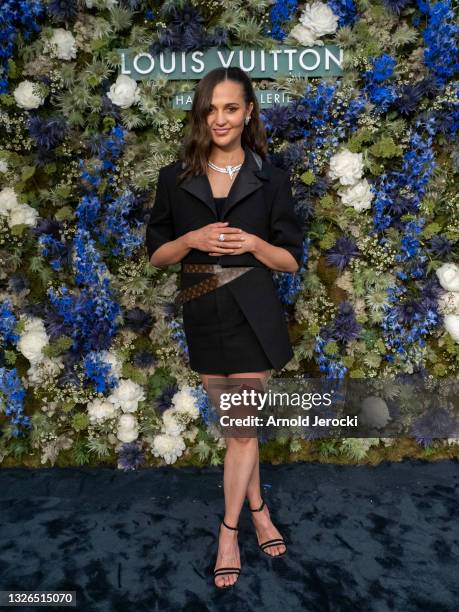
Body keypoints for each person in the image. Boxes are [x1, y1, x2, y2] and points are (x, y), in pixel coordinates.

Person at [145, 66, 304, 588]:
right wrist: (191, 238)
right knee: (242, 432)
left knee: (239, 433)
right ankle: (258, 507)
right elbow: (157, 257)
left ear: (248, 112)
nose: (220, 118)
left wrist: (255, 245)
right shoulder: (175, 178)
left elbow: (291, 262)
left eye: (231, 107)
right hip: (203, 314)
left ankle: (229, 531)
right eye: (211, 108)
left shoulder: (271, 178)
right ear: (200, 114)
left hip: (253, 318)